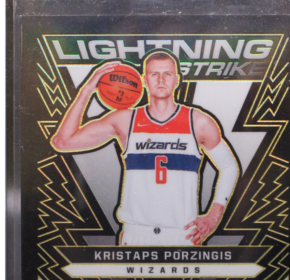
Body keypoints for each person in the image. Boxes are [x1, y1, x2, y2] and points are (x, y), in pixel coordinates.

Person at [51, 51, 239, 246]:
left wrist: (214, 215)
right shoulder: (125, 120)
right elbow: (63, 142)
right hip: (136, 233)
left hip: (183, 233)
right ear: (144, 80)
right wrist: (87, 89)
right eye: (154, 74)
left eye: (167, 74)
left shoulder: (198, 122)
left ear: (177, 80)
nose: (161, 80)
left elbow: (229, 166)